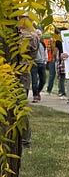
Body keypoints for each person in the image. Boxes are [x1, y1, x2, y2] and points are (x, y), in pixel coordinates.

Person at [17, 15, 39, 150]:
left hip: (21, 74)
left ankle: (25, 140)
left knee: (20, 107)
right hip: (16, 73)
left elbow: (20, 51)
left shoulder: (30, 36)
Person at [31, 29, 47, 102]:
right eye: (37, 34)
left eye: (39, 34)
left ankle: (38, 92)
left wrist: (45, 61)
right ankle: (35, 96)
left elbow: (45, 52)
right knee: (34, 81)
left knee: (43, 80)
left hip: (42, 63)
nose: (38, 36)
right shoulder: (32, 43)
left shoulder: (42, 43)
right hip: (34, 63)